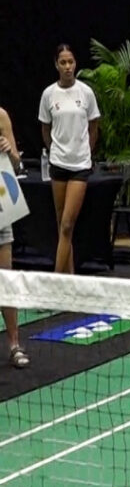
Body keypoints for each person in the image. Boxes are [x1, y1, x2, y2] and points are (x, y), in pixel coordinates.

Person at [38, 44, 100, 274]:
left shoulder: (86, 92)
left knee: (67, 223)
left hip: (80, 165)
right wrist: (53, 149)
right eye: (63, 62)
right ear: (56, 65)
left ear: (75, 64)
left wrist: (87, 151)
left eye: (70, 62)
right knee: (63, 227)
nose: (67, 67)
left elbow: (94, 126)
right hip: (58, 163)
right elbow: (45, 128)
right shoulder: (48, 94)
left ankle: (56, 280)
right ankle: (70, 278)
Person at [0, 106, 29, 368]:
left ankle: (14, 344)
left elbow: (17, 164)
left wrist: (9, 151)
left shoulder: (1, 116)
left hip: (0, 209)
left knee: (6, 280)